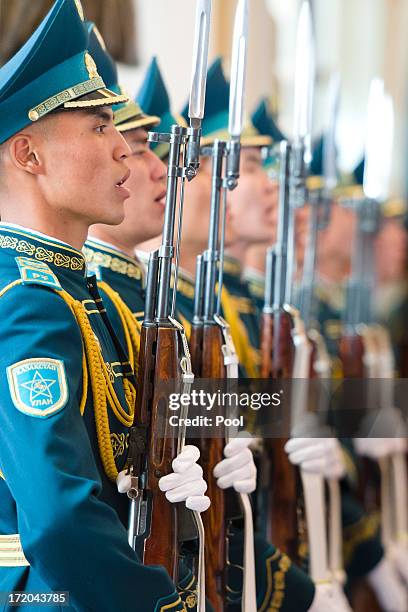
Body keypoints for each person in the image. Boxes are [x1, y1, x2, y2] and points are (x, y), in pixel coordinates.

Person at [0, 3, 208, 611]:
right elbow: (60, 519)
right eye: (98, 126)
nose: (124, 151)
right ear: (29, 156)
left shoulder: (85, 297)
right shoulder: (26, 303)